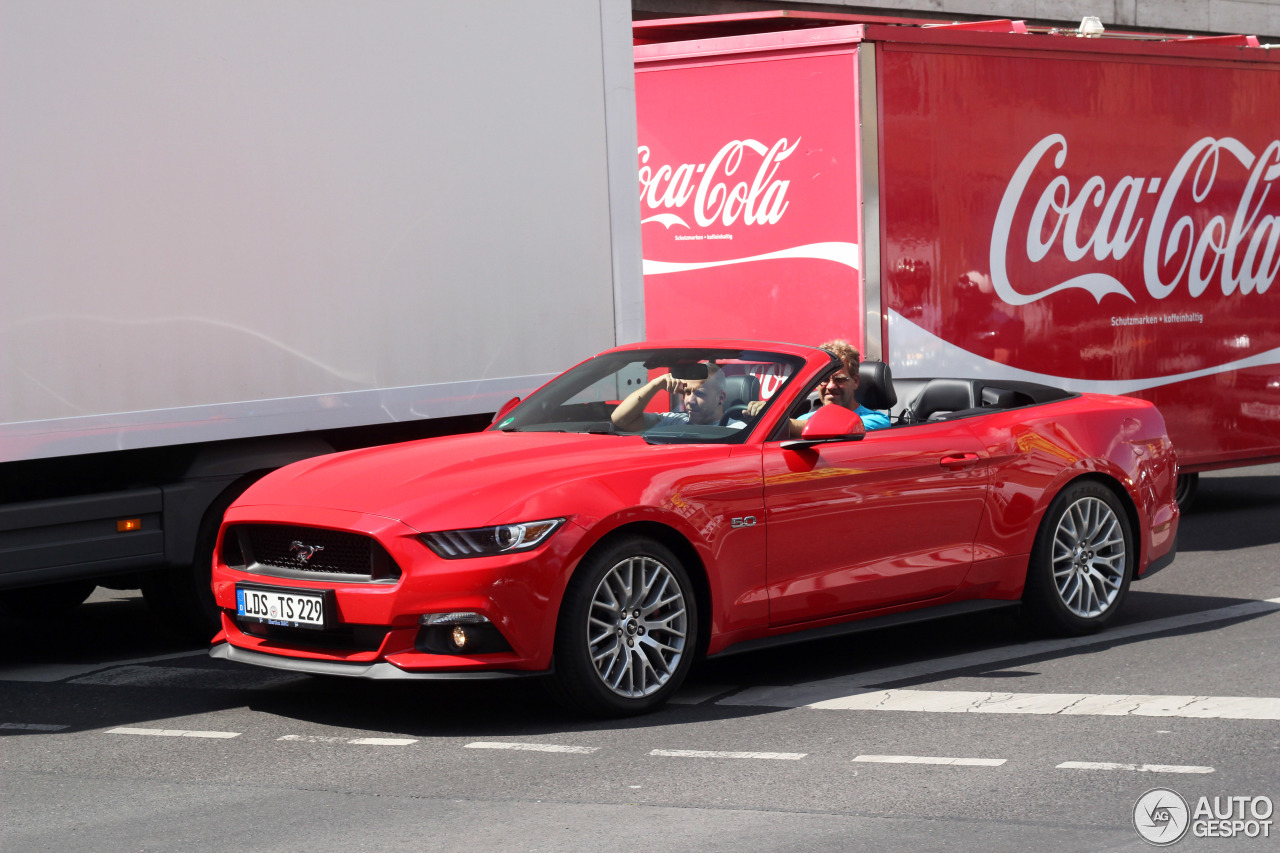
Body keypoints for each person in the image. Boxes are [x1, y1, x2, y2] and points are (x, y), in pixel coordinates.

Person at [748, 339, 890, 437]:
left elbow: (839, 427)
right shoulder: (805, 419)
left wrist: (776, 421)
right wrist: (765, 415)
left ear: (856, 381)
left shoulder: (877, 421)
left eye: (839, 379)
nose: (831, 386)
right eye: (824, 379)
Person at [611, 362, 745, 432]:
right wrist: (655, 385)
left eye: (699, 393)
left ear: (720, 398)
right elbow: (621, 419)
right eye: (686, 392)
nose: (689, 401)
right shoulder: (674, 421)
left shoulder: (736, 430)